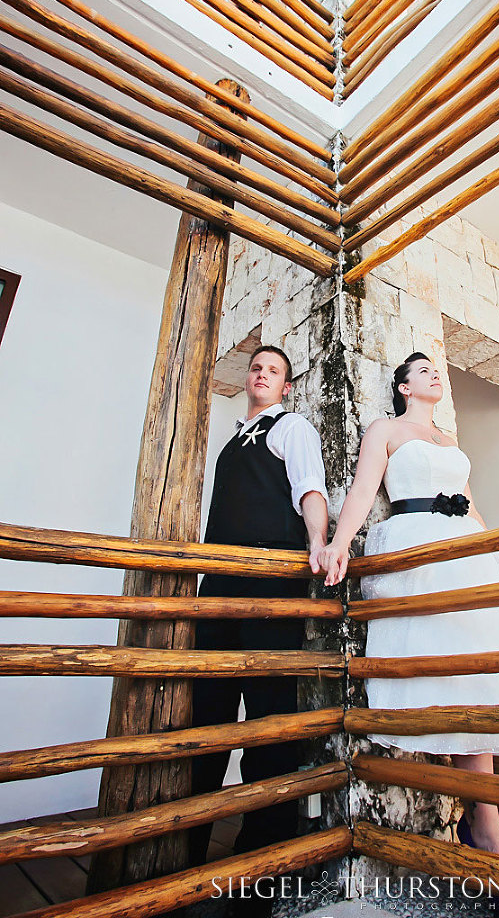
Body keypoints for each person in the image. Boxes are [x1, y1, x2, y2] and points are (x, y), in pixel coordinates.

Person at [318, 352, 499, 915]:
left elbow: (474, 506)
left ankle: (486, 829)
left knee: (482, 679)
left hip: (464, 553)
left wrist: (494, 556)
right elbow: (361, 490)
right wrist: (340, 542)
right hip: (415, 549)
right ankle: (483, 832)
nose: (434, 377)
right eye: (423, 371)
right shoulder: (386, 429)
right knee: (441, 678)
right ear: (402, 387)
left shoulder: (449, 438)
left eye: (437, 372)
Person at [189, 345, 328, 902]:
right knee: (207, 706)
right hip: (218, 582)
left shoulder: (292, 428)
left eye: (273, 370)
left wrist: (318, 542)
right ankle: (189, 842)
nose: (262, 374)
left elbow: (309, 487)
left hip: (271, 580)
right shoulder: (230, 441)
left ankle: (265, 851)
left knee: (269, 706)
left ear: (286, 386)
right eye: (256, 368)